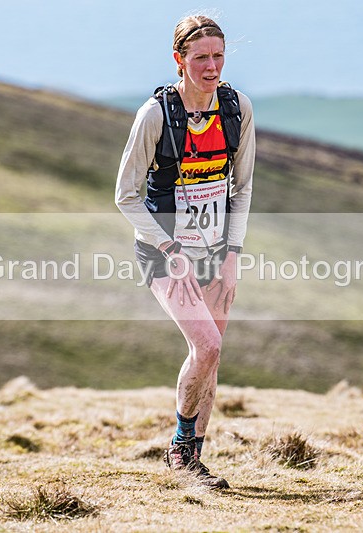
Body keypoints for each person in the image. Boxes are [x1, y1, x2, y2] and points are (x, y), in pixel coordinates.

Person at [115, 14, 255, 489]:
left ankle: (194, 461)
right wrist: (168, 243)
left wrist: (233, 253)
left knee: (212, 358)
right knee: (207, 345)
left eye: (218, 56)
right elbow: (125, 195)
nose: (212, 67)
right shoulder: (155, 116)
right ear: (179, 60)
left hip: (217, 251)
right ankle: (179, 449)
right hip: (163, 252)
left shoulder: (237, 109)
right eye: (201, 58)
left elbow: (243, 186)